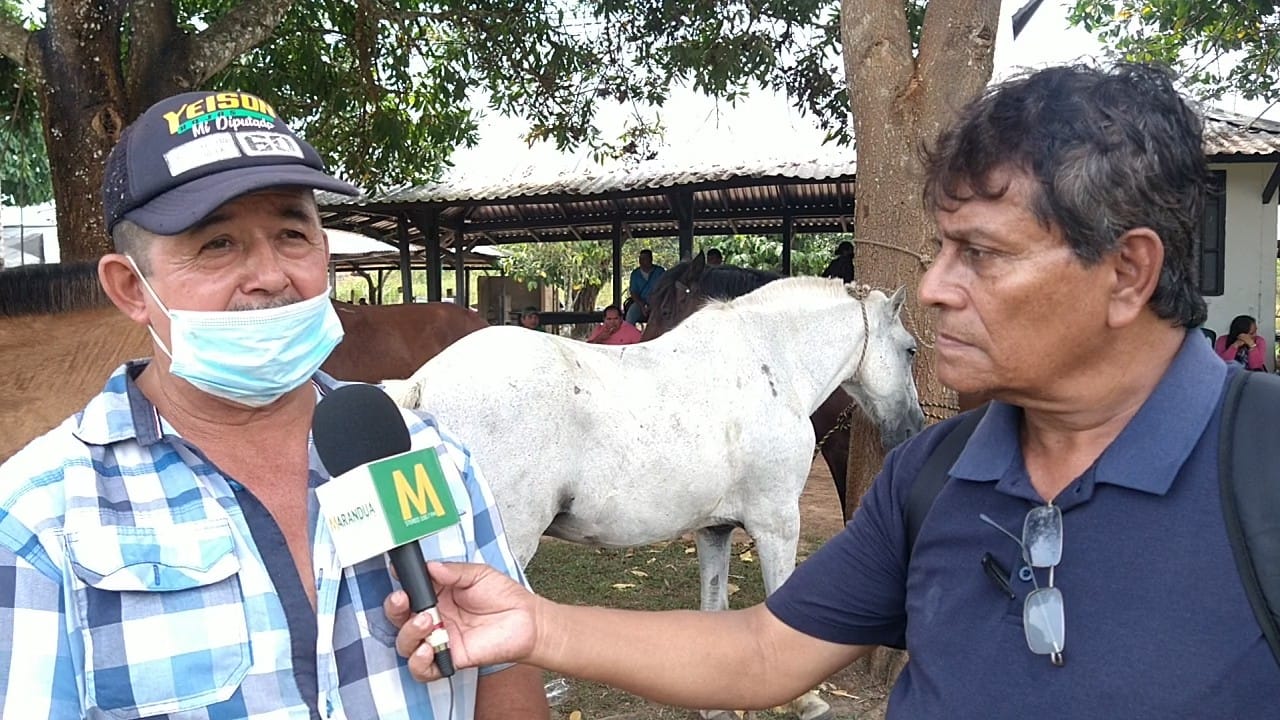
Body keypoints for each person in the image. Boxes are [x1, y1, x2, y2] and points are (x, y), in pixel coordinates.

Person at [383, 64, 1279, 717]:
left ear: (1127, 272)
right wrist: (536, 626)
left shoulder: (1263, 469)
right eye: (940, 249)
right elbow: (766, 649)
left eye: (982, 253)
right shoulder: (934, 475)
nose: (933, 288)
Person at [0, 90, 547, 719]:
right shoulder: (38, 520)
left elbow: (507, 681)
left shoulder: (433, 456)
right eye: (217, 244)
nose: (270, 275)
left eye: (292, 234)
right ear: (131, 288)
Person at [624, 249, 666, 324]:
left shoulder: (660, 271)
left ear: (650, 259)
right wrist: (642, 305)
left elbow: (664, 288)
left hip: (658, 302)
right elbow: (633, 292)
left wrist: (655, 302)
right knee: (630, 315)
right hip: (640, 303)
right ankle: (629, 333)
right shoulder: (635, 274)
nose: (641, 261)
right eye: (640, 259)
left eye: (644, 259)